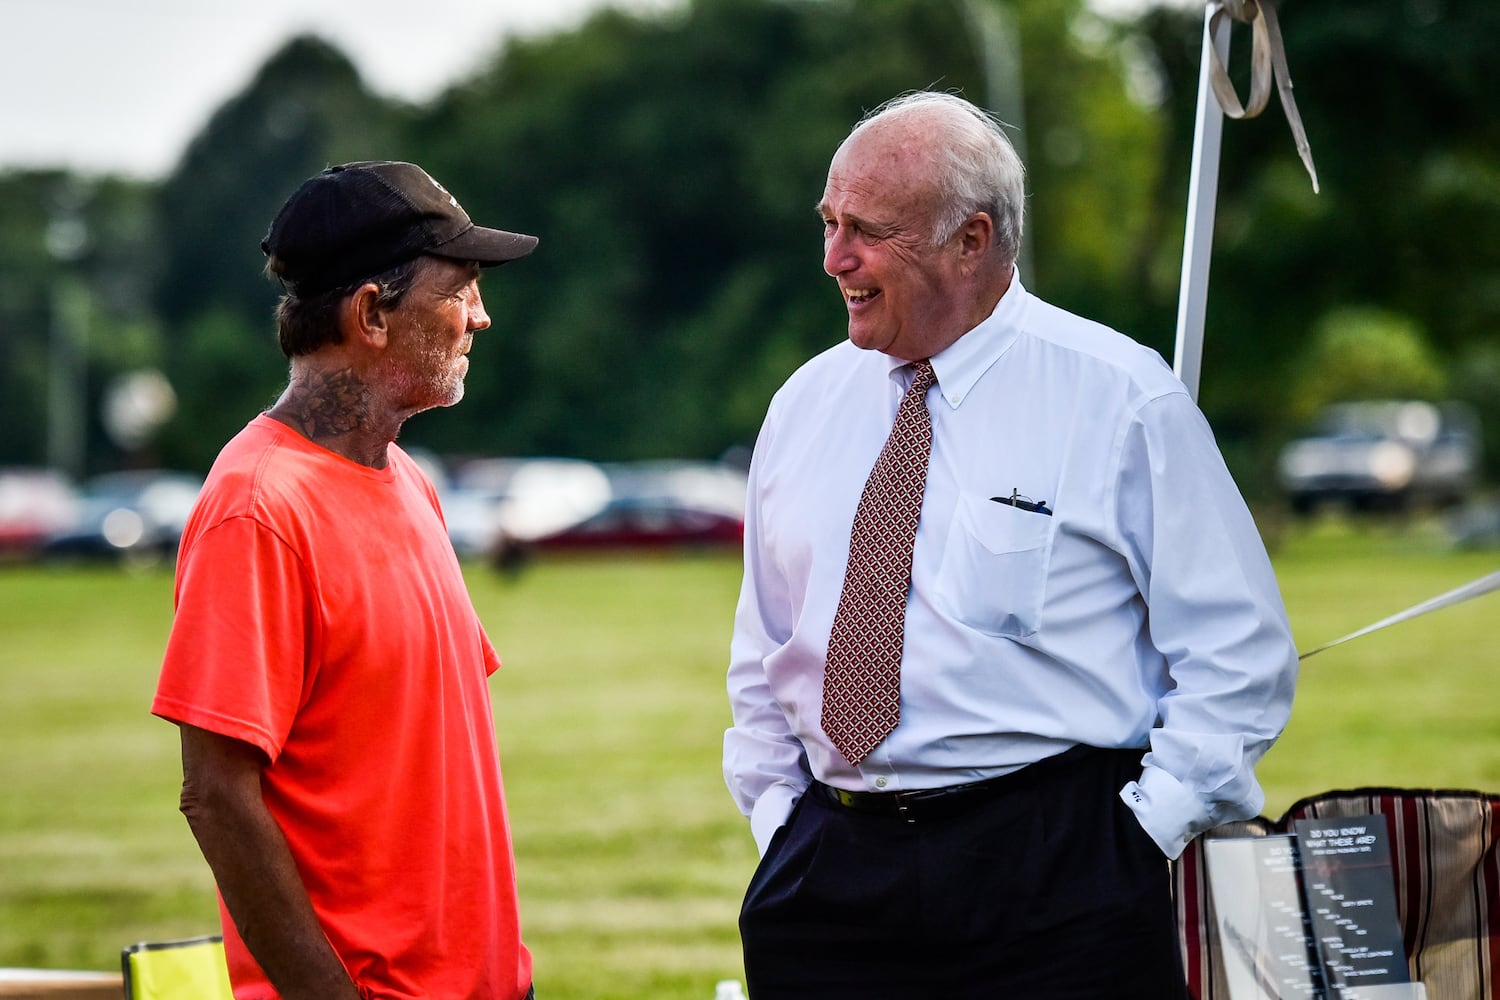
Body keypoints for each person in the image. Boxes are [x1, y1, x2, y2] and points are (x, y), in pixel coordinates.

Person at [723, 91, 1299, 998]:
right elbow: (765, 650)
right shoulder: (805, 404)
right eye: (829, 223)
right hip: (829, 881)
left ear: (972, 240)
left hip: (1058, 878)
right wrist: (780, 823)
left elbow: (1239, 657)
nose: (835, 258)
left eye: (869, 230)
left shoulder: (1118, 397)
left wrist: (1139, 840)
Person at [153, 160, 539, 1000]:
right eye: (460, 288)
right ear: (371, 312)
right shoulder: (257, 506)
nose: (481, 315)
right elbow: (216, 795)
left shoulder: (410, 481)